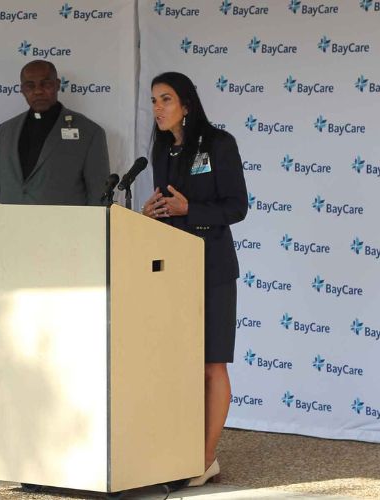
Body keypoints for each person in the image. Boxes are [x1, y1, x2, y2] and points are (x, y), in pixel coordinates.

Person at [142, 71, 247, 486]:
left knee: (210, 365)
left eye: (165, 100)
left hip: (213, 268)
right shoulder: (162, 151)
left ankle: (204, 459)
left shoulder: (220, 144)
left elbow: (237, 207)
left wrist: (190, 210)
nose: (158, 109)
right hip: (172, 271)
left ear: (186, 104)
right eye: (153, 101)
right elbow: (171, 208)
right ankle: (177, 450)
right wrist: (152, 215)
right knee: (176, 367)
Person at [0, 60, 110, 262]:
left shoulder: (89, 132)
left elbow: (98, 195)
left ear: (57, 85)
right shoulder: (5, 131)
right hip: (9, 240)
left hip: (64, 245)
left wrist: (95, 243)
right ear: (22, 90)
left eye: (45, 84)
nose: (38, 91)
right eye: (30, 86)